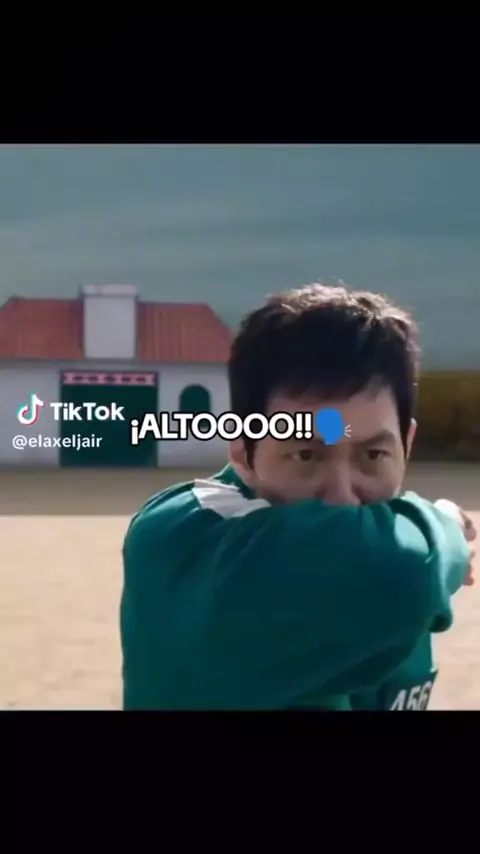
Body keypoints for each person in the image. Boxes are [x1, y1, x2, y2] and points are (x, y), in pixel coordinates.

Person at [120, 283, 475, 710]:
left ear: (407, 444)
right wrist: (445, 525)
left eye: (373, 455)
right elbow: (409, 570)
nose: (342, 497)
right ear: (242, 450)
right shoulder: (185, 541)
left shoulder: (389, 534)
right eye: (306, 455)